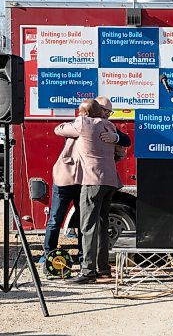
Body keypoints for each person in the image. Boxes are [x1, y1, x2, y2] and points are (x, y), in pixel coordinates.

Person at [40, 98, 130, 264]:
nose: (108, 115)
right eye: (106, 111)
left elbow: (124, 141)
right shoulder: (84, 122)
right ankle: (49, 256)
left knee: (85, 222)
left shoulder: (105, 126)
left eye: (109, 112)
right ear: (96, 109)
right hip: (67, 177)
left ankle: (84, 260)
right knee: (57, 219)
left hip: (86, 179)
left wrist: (113, 141)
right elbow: (58, 129)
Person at [57, 99, 121, 283]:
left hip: (91, 181)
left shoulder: (82, 124)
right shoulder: (109, 125)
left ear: (84, 113)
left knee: (87, 226)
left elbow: (59, 130)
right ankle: (103, 268)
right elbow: (121, 150)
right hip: (110, 180)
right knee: (102, 225)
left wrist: (75, 121)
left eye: (80, 112)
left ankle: (88, 271)